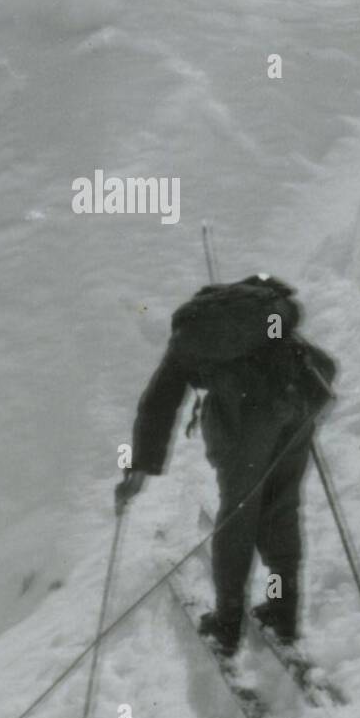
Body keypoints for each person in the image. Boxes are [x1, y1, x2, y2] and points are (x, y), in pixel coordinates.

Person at [117, 276, 337, 656]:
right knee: (281, 509)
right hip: (297, 404)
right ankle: (282, 610)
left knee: (238, 516)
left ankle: (226, 623)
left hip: (244, 423)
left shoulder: (188, 341)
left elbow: (158, 403)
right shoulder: (264, 308)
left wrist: (139, 467)